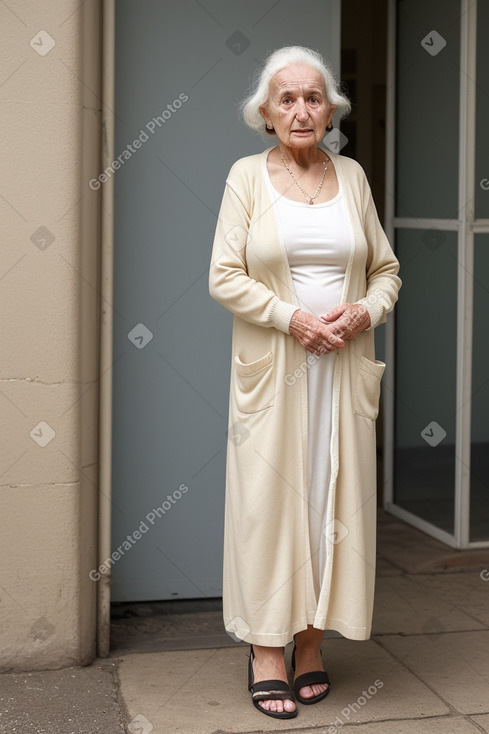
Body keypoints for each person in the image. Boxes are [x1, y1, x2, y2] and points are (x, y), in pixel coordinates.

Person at [208, 45, 401, 720]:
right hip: (276, 375)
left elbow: (386, 272)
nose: (299, 109)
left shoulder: (350, 175)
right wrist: (291, 318)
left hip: (340, 373)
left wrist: (362, 311)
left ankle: (312, 641)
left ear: (330, 110)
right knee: (268, 511)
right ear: (265, 112)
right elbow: (223, 275)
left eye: (312, 97)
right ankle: (265, 647)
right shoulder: (246, 177)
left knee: (333, 509)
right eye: (285, 98)